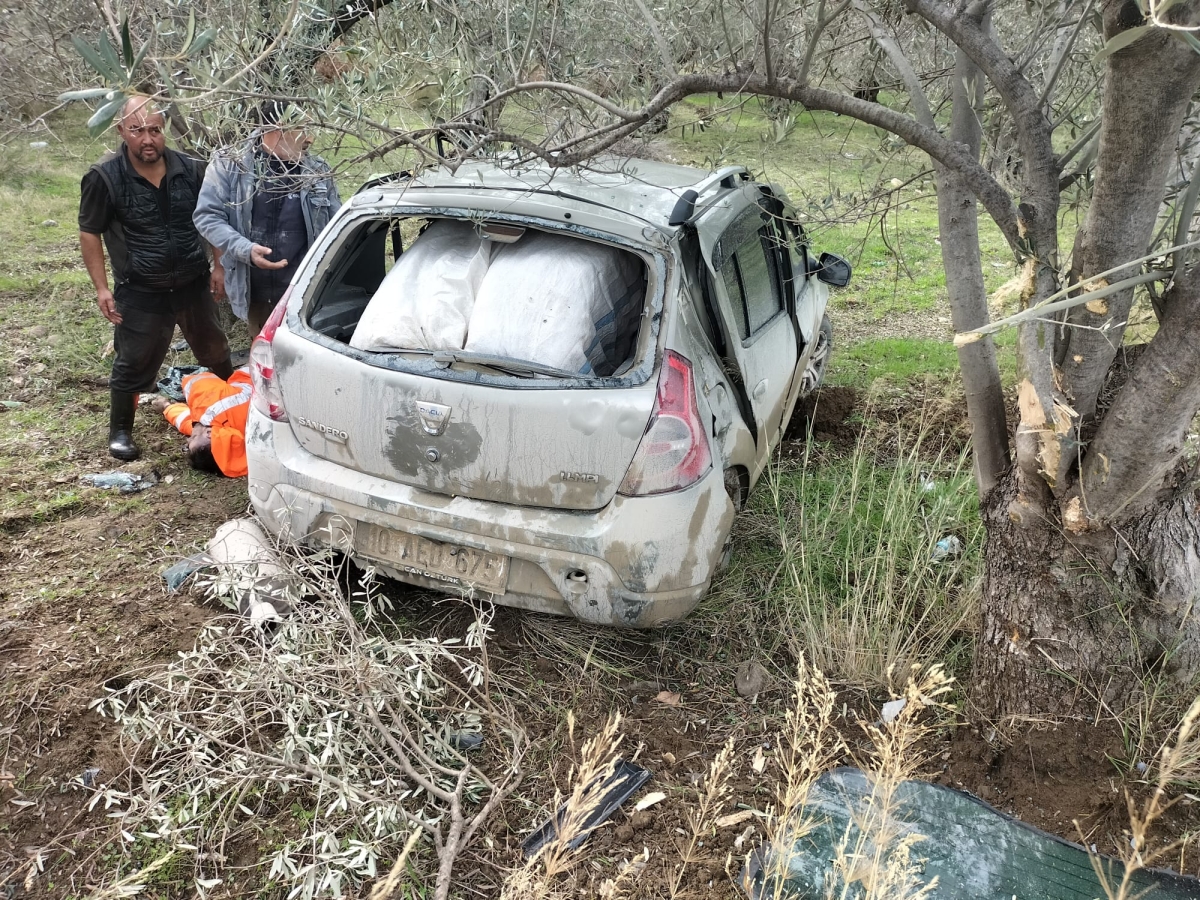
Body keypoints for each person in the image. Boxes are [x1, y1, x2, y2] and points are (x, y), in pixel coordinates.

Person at [79, 97, 234, 462]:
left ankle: (236, 407)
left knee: (215, 349)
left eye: (154, 130)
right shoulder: (104, 176)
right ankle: (120, 432)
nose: (147, 139)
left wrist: (219, 265)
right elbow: (89, 233)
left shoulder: (192, 168)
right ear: (121, 131)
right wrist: (102, 288)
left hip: (192, 281)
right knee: (132, 361)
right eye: (137, 130)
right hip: (140, 288)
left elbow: (211, 219)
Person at [193, 100, 341, 337]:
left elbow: (336, 225)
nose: (310, 139)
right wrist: (245, 249)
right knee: (264, 355)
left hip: (304, 293)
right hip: (254, 293)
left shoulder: (318, 170)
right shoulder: (230, 163)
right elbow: (207, 216)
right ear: (277, 129)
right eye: (303, 129)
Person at [152, 367, 252, 477]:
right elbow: (196, 380)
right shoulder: (210, 409)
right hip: (258, 369)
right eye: (193, 438)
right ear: (209, 434)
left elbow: (184, 421)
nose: (188, 438)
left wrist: (167, 407)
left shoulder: (234, 434)